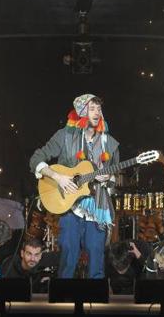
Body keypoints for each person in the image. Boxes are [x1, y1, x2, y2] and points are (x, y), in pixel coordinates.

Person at [30, 94, 120, 278]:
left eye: (99, 109)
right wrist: (58, 177)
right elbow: (36, 159)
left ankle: (95, 301)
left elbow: (115, 179)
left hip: (97, 207)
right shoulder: (64, 136)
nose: (97, 112)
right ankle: (64, 300)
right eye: (92, 108)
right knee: (68, 255)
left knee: (96, 255)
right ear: (81, 112)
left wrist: (108, 178)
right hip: (70, 206)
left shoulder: (109, 144)